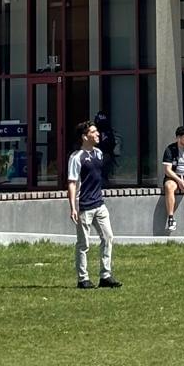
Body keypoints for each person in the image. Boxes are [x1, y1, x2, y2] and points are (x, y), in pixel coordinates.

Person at [67, 119, 120, 291]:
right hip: (84, 206)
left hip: (99, 204)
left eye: (97, 131)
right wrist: (73, 207)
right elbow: (72, 183)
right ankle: (83, 279)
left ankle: (105, 276)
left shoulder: (99, 153)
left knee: (108, 237)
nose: (98, 134)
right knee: (84, 244)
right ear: (84, 136)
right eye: (93, 132)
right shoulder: (76, 157)